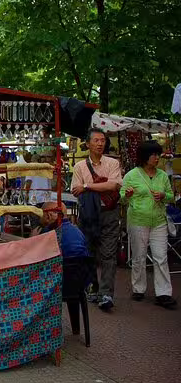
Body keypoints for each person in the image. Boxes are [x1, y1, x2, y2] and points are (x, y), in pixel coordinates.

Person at [121, 141, 177, 310]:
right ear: (145, 157)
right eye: (154, 154)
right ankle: (138, 288)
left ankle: (164, 293)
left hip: (159, 221)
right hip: (138, 220)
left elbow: (171, 196)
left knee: (161, 257)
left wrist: (164, 195)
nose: (157, 158)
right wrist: (128, 195)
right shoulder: (131, 175)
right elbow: (122, 198)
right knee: (139, 256)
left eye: (157, 154)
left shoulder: (162, 176)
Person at [71, 127, 122, 311]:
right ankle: (93, 287)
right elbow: (75, 190)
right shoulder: (79, 166)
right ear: (88, 144)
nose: (100, 143)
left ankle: (106, 294)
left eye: (103, 140)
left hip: (109, 212)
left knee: (109, 253)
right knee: (89, 252)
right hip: (88, 214)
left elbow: (114, 185)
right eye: (96, 140)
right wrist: (98, 187)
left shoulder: (112, 163)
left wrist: (87, 186)